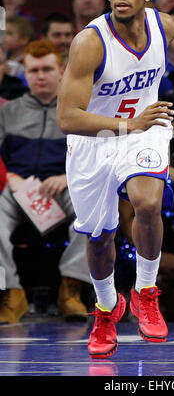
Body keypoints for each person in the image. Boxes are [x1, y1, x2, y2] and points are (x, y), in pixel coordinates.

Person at [56, 0, 174, 359]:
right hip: (93, 140)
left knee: (148, 202)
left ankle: (146, 291)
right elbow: (67, 117)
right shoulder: (89, 43)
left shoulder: (161, 25)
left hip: (144, 131)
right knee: (100, 238)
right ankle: (107, 308)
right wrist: (129, 124)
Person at [0, 39, 91, 324]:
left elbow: (95, 153)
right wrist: (9, 177)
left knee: (90, 209)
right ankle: (12, 293)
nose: (40, 76)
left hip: (64, 184)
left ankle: (70, 289)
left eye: (47, 69)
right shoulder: (7, 112)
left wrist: (68, 177)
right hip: (15, 186)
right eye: (33, 70)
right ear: (24, 73)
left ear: (61, 71)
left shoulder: (80, 109)